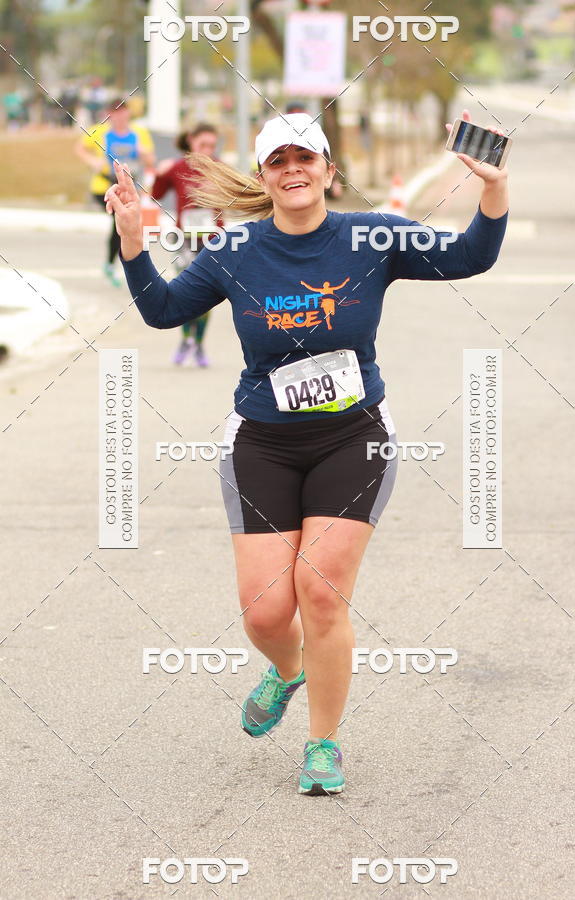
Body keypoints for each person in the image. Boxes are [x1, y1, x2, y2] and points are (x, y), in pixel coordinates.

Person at [105, 108, 509, 796]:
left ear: (327, 168)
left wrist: (493, 188)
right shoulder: (235, 251)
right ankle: (287, 670)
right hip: (262, 441)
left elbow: (470, 254)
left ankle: (323, 743)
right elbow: (164, 311)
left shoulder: (370, 236)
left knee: (319, 593)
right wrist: (132, 243)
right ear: (264, 177)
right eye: (277, 161)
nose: (293, 169)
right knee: (266, 612)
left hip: (353, 436)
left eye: (305, 157)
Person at [151, 123, 224, 367]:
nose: (207, 151)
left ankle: (199, 344)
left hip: (213, 241)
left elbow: (241, 197)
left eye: (212, 146)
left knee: (206, 297)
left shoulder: (220, 168)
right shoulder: (178, 167)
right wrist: (160, 173)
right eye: (203, 145)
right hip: (186, 240)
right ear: (191, 142)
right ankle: (185, 340)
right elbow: (157, 194)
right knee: (183, 293)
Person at [75, 99, 154, 286]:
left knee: (121, 223)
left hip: (127, 187)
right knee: (120, 220)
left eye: (123, 111)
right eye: (115, 112)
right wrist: (92, 161)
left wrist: (142, 153)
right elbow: (79, 148)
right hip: (103, 186)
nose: (119, 116)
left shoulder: (139, 133)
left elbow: (151, 160)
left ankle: (115, 264)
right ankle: (116, 264)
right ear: (109, 114)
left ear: (128, 113)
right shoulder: (99, 131)